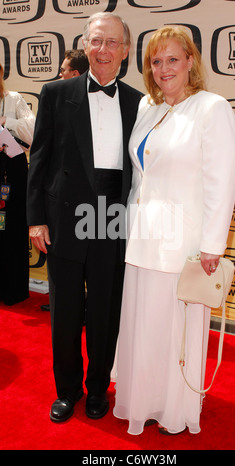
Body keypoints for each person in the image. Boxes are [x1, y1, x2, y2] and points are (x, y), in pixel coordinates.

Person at [113, 26, 235, 435]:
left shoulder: (212, 107)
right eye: (156, 61)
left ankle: (173, 409)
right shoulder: (148, 108)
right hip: (143, 239)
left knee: (176, 331)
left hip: (183, 245)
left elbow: (222, 181)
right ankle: (143, 400)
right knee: (144, 327)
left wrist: (211, 246)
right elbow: (140, 177)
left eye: (172, 59)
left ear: (190, 61)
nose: (164, 68)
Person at [27, 12, 142, 423]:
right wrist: (35, 218)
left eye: (112, 42)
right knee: (66, 310)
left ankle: (97, 389)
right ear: (85, 44)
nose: (103, 49)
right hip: (65, 215)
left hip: (113, 215)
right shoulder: (56, 93)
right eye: (96, 41)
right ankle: (67, 390)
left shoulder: (138, 102)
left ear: (126, 51)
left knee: (105, 312)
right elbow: (38, 159)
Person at [41, 49, 89, 313]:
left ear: (75, 73)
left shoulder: (129, 101)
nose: (59, 75)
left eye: (63, 70)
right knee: (64, 295)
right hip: (62, 210)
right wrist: (36, 220)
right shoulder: (52, 97)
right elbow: (40, 158)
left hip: (102, 214)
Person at [0, 63, 35, 305]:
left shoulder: (13, 99)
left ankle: (13, 289)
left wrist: (6, 122)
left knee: (11, 226)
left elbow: (33, 131)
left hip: (12, 171)